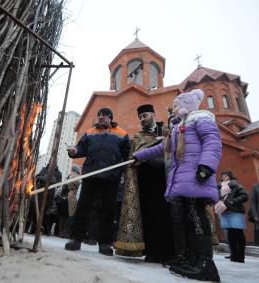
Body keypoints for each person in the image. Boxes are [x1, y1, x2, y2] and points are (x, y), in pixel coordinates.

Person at [135, 89, 221, 282]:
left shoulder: (200, 118)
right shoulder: (179, 127)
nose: (171, 110)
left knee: (197, 217)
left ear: (185, 105)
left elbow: (212, 141)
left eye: (175, 106)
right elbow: (162, 148)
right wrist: (139, 156)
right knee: (188, 219)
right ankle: (193, 259)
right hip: (183, 179)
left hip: (196, 176)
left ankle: (206, 265)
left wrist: (206, 166)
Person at [64, 107, 130, 256]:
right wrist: (73, 151)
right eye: (99, 115)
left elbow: (127, 155)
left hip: (111, 178)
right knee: (83, 208)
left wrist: (124, 172)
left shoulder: (122, 134)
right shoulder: (89, 133)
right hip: (90, 176)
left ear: (111, 118)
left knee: (107, 211)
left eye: (105, 115)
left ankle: (105, 243)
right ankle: (76, 239)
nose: (101, 117)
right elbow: (80, 149)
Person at [116, 104, 174, 263]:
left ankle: (168, 253)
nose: (142, 119)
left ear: (153, 114)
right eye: (140, 117)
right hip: (146, 179)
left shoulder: (167, 131)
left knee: (165, 215)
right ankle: (152, 252)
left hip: (165, 178)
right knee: (148, 215)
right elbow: (132, 157)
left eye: (145, 115)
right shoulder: (138, 137)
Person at [216, 171, 248, 263]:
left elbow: (245, 195)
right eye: (223, 176)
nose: (224, 177)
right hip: (225, 211)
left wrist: (233, 201)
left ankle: (241, 256)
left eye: (226, 176)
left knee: (238, 233)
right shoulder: (219, 187)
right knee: (230, 234)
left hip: (236, 211)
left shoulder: (236, 185)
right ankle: (234, 256)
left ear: (230, 177)